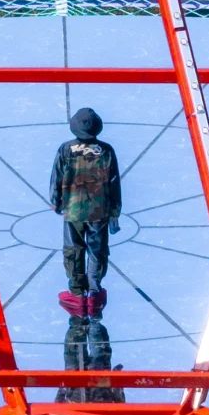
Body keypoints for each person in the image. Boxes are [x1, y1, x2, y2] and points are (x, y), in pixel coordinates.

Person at [49, 107, 121, 317]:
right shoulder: (106, 150)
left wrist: (55, 201)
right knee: (97, 249)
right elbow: (114, 182)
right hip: (100, 209)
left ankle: (76, 292)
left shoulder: (65, 149)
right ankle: (94, 291)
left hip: (73, 208)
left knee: (73, 249)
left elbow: (57, 176)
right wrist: (115, 210)